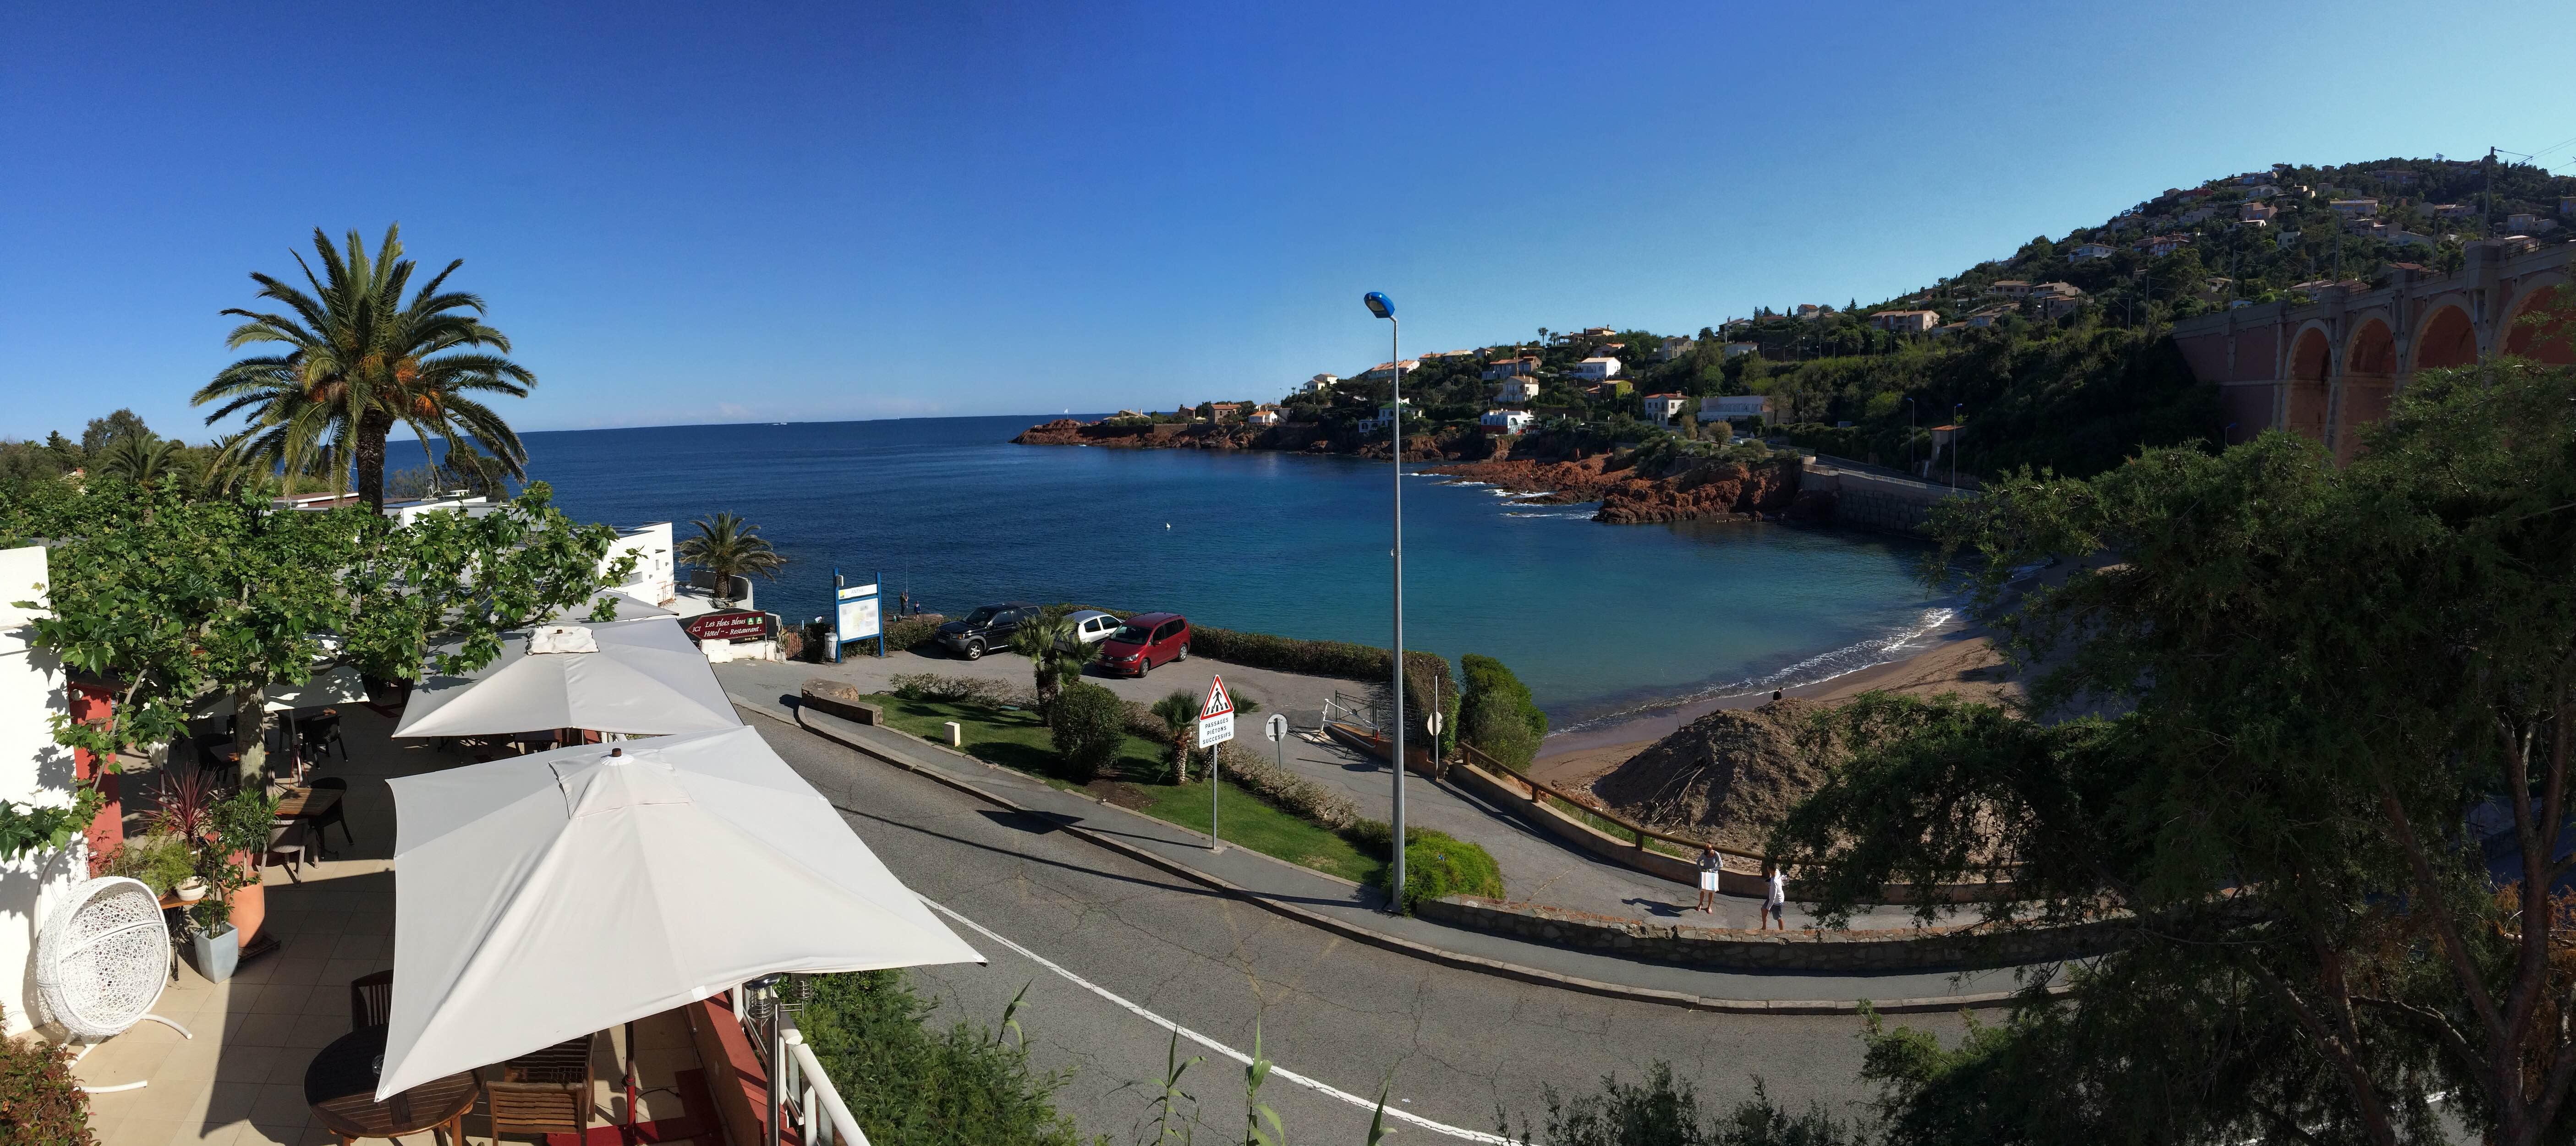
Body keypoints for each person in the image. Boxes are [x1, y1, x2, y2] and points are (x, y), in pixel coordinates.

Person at [1695, 844, 1721, 914]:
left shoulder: (1716, 855)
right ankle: (1701, 903)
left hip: (1713, 874)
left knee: (1711, 891)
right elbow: (1698, 861)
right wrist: (1701, 868)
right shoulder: (1704, 855)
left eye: (1708, 853)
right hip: (1706, 873)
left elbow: (1721, 865)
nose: (1707, 855)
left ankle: (1709, 906)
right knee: (1703, 889)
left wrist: (1712, 870)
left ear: (1711, 850)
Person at [1763, 861, 1788, 930]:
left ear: (1769, 869)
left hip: (1777, 902)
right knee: (1763, 910)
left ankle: (1782, 932)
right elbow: (1784, 878)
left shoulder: (1774, 883)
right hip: (1774, 898)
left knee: (1778, 918)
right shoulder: (1777, 871)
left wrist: (1768, 909)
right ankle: (1764, 928)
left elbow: (1773, 899)